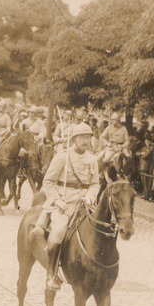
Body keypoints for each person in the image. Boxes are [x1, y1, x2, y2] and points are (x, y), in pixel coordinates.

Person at [31, 123, 100, 291]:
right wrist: (57, 200)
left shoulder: (92, 159)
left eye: (88, 137)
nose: (85, 140)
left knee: (100, 227)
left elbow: (95, 184)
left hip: (85, 201)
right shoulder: (62, 157)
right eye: (82, 137)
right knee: (60, 230)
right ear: (74, 139)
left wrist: (90, 196)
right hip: (63, 201)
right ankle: (51, 274)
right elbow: (48, 182)